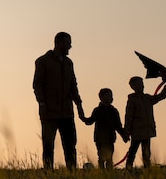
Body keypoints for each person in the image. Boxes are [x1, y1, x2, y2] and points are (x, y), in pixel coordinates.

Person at [33, 32, 85, 170]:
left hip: (67, 112)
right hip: (49, 112)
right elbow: (37, 85)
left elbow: (73, 85)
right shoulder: (42, 61)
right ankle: (48, 172)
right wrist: (42, 103)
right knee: (48, 145)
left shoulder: (69, 63)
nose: (70, 46)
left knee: (70, 144)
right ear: (59, 43)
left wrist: (78, 104)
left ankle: (72, 172)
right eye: (68, 43)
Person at [124, 75, 166, 169]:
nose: (142, 86)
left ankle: (147, 169)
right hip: (137, 131)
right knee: (133, 150)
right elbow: (129, 117)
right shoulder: (132, 100)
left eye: (142, 84)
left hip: (147, 130)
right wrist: (127, 132)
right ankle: (129, 167)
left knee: (146, 152)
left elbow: (161, 96)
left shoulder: (147, 98)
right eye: (140, 84)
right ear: (133, 86)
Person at [80, 88, 128, 169]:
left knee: (109, 158)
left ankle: (109, 173)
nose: (111, 98)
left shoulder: (114, 111)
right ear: (101, 98)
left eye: (111, 96)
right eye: (108, 96)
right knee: (101, 157)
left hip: (110, 138)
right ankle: (102, 173)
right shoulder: (97, 110)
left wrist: (124, 135)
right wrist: (83, 117)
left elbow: (118, 126)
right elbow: (90, 121)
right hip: (100, 139)